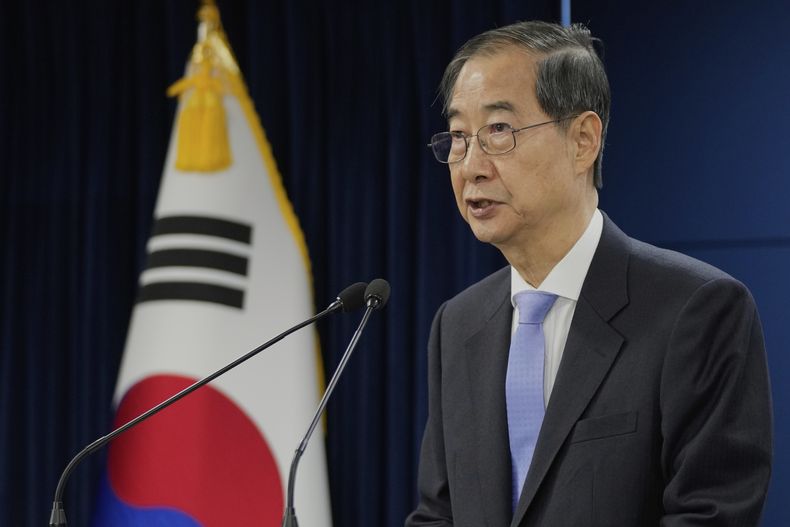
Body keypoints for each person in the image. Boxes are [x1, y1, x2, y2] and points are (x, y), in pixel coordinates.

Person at [405, 20, 772, 527]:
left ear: (583, 140)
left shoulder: (697, 309)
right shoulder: (458, 324)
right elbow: (438, 514)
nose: (470, 166)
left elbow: (710, 514)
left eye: (498, 131)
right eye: (459, 137)